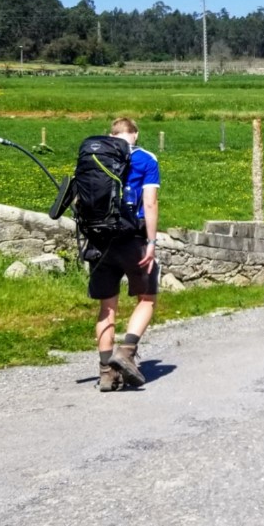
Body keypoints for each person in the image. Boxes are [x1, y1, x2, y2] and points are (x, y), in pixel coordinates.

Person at [92, 117, 160, 392]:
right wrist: (152, 242)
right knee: (147, 298)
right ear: (136, 134)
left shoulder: (96, 157)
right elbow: (150, 202)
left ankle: (107, 373)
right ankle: (127, 351)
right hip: (133, 237)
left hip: (99, 240)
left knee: (107, 308)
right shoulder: (145, 159)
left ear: (111, 135)